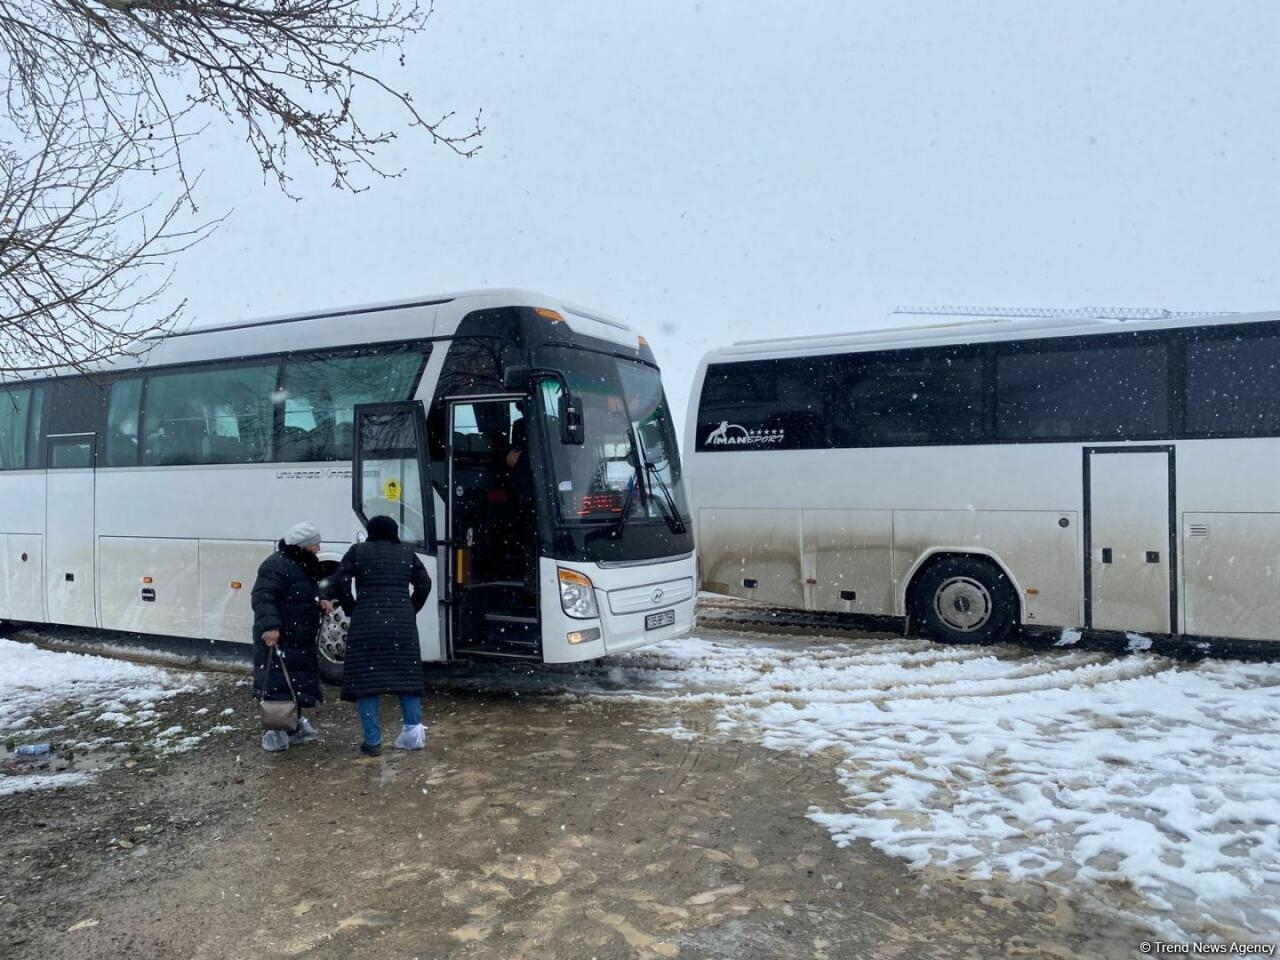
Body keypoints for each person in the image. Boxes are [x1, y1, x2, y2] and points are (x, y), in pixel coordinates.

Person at [333, 515, 432, 757]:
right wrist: (409, 608)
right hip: (402, 625)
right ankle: (412, 735)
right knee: (408, 681)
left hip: (366, 622)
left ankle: (373, 741)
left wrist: (352, 607)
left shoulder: (358, 551)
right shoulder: (407, 553)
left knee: (367, 684)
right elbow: (425, 584)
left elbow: (340, 580)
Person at [250, 521, 333, 752]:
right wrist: (270, 627)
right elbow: (262, 597)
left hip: (297, 635)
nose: (318, 548)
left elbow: (309, 589)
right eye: (315, 544)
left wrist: (321, 599)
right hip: (281, 635)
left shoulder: (300, 563)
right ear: (302, 545)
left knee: (293, 682)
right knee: (279, 683)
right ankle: (276, 729)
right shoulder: (275, 566)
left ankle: (291, 726)